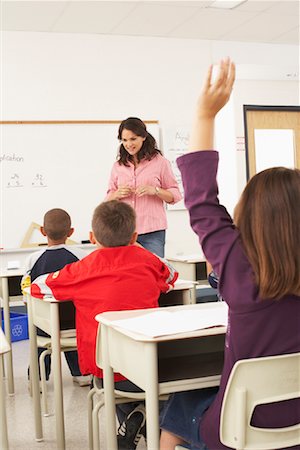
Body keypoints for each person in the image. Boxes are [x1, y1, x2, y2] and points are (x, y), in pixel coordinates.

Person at [159, 58, 300, 450]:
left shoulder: (239, 268)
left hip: (235, 434)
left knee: (179, 401)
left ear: (247, 218)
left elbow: (202, 200)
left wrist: (205, 114)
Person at [30, 200, 178, 450]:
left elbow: (38, 287)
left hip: (106, 368)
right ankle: (147, 420)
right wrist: (143, 252)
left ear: (92, 237)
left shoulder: (81, 269)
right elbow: (171, 276)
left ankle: (135, 417)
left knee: (114, 378)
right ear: (134, 236)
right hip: (151, 365)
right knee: (149, 383)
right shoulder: (148, 261)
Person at [21, 208, 90, 386]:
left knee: (38, 329)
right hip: (75, 322)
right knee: (73, 326)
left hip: (44, 324)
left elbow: (26, 292)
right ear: (71, 232)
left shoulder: (33, 258)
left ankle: (38, 378)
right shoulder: (82, 256)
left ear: (43, 232)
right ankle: (81, 373)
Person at [106, 117, 182, 257]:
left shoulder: (160, 163)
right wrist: (116, 194)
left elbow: (175, 195)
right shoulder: (118, 166)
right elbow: (107, 200)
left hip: (152, 232)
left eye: (133, 139)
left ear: (143, 137)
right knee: (127, 275)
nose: (129, 144)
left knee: (153, 273)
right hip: (124, 233)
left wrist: (155, 190)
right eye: (124, 140)